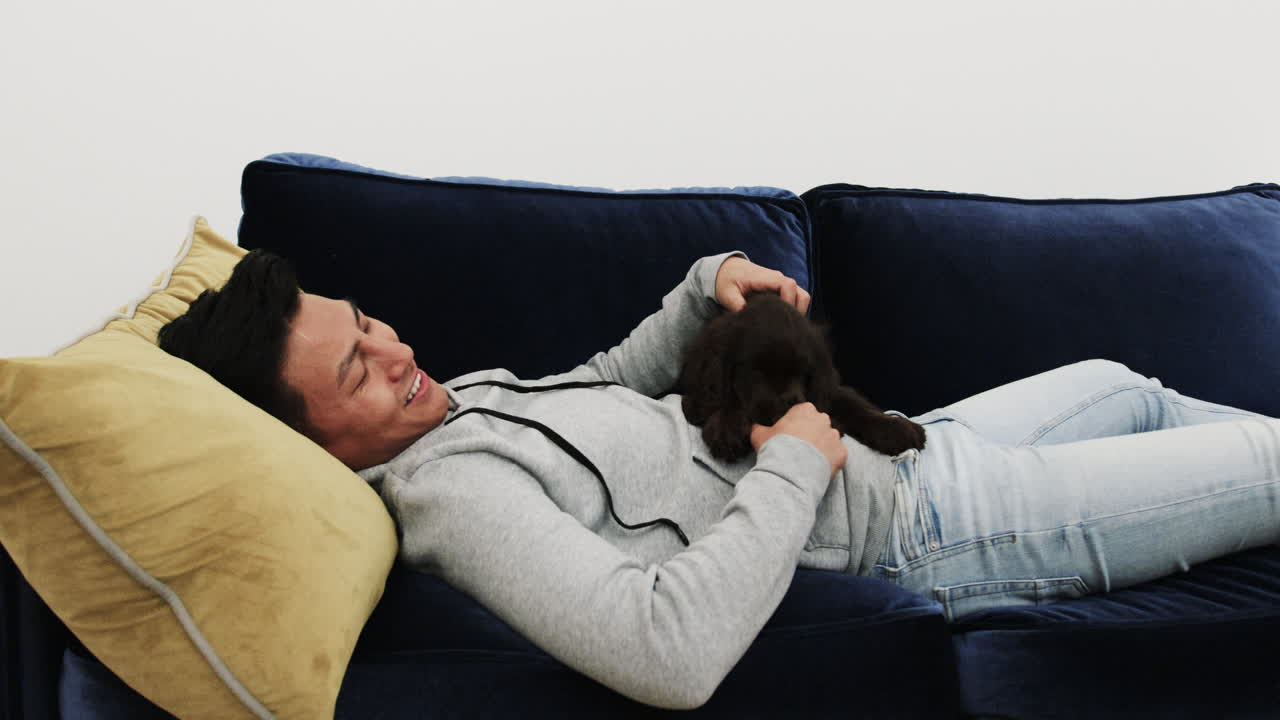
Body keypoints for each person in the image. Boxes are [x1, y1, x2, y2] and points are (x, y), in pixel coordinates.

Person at [158, 249, 1280, 710]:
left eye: (368, 325)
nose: (397, 353)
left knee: (1119, 380)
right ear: (310, 444)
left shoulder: (464, 404)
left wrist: (700, 290)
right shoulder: (450, 497)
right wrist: (793, 459)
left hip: (916, 444)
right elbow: (664, 654)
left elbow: (598, 387)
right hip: (931, 531)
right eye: (358, 370)